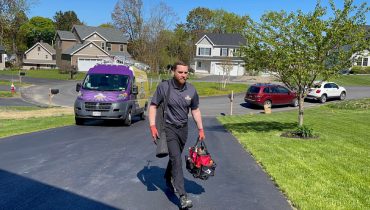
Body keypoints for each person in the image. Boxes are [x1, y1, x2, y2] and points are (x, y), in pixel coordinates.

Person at [148, 60, 205, 209]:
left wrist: (200, 129)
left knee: (175, 156)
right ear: (173, 72)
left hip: (183, 129)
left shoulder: (191, 90)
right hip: (169, 129)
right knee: (177, 160)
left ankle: (168, 178)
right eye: (180, 72)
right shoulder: (164, 87)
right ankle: (182, 196)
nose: (183, 75)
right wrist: (153, 126)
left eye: (186, 72)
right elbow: (153, 106)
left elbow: (195, 110)